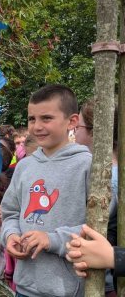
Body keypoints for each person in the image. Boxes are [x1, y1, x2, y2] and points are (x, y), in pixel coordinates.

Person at [1, 84, 92, 297]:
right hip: (24, 286)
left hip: (67, 290)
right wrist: (11, 234)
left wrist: (52, 240)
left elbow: (100, 227)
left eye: (46, 118)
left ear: (72, 121)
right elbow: (11, 212)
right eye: (32, 119)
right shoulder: (24, 166)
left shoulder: (88, 165)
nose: (37, 126)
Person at [73, 99, 118, 296]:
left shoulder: (108, 179)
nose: (74, 130)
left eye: (79, 125)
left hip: (103, 281)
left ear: (95, 132)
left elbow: (84, 225)